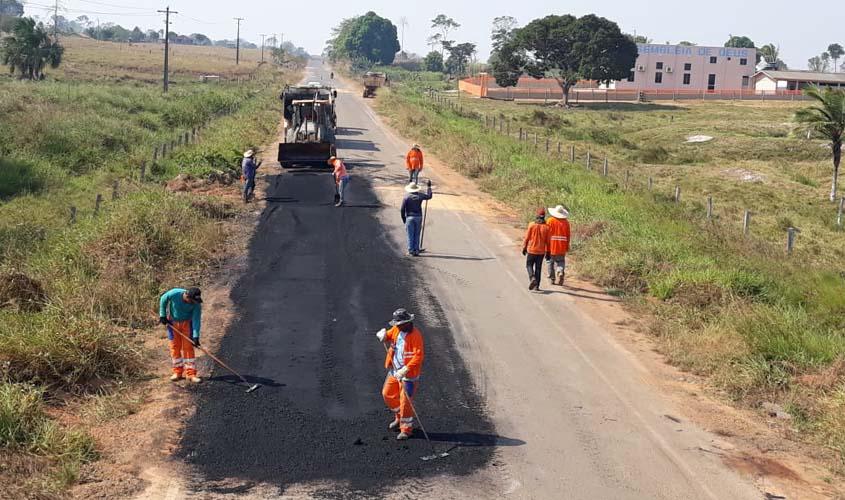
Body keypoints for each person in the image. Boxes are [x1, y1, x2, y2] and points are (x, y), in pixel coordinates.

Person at [376, 308, 425, 441]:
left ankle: (406, 430)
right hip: (394, 371)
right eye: (397, 324)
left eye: (401, 324)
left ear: (408, 322)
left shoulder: (416, 336)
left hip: (408, 376)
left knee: (405, 403)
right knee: (387, 394)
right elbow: (389, 335)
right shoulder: (397, 330)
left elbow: (418, 356)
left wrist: (405, 370)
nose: (398, 326)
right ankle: (399, 417)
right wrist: (383, 335)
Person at [158, 287, 203, 383]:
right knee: (174, 347)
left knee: (188, 348)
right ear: (187, 296)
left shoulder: (196, 305)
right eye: (192, 300)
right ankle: (177, 372)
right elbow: (163, 299)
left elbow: (196, 320)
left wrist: (195, 336)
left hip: (187, 324)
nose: (194, 303)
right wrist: (162, 315)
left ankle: (191, 374)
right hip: (172, 323)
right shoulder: (174, 293)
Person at [400, 180, 433, 256]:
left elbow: (402, 209)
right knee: (417, 234)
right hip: (418, 217)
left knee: (410, 234)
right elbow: (429, 196)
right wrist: (429, 187)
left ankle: (411, 250)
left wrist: (404, 219)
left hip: (409, 217)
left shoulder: (406, 197)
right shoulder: (420, 195)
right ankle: (416, 250)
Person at [522, 208, 551, 291]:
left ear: (537, 215)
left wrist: (524, 247)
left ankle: (532, 278)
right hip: (541, 252)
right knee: (538, 268)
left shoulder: (531, 225)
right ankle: (536, 286)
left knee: (529, 265)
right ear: (544, 216)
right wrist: (548, 252)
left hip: (531, 250)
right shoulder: (547, 227)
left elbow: (527, 238)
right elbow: (548, 242)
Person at [546, 205, 571, 286]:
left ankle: (552, 278)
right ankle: (560, 271)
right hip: (562, 245)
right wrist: (567, 246)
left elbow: (546, 233)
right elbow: (568, 235)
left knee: (550, 262)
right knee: (561, 261)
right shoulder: (566, 222)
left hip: (552, 245)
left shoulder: (550, 220)